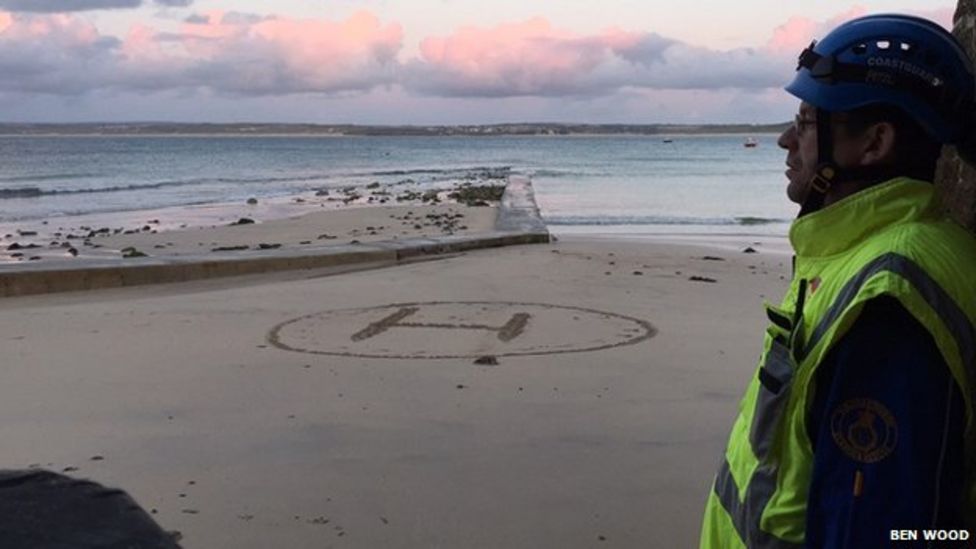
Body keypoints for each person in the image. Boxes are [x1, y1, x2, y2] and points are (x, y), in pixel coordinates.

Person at [700, 14, 976, 548]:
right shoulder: (859, 252)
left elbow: (891, 531)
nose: (785, 140)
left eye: (806, 122)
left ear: (874, 143)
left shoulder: (889, 301)